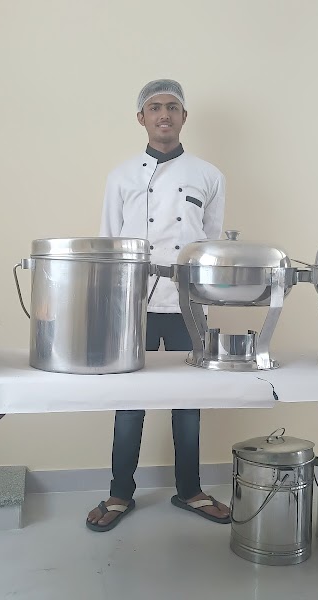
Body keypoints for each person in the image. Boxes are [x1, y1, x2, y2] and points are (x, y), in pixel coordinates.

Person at [87, 79, 229, 532]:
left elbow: (211, 245)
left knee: (189, 400)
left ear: (184, 117)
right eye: (154, 108)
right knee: (130, 400)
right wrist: (109, 307)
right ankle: (119, 493)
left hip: (189, 304)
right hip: (134, 304)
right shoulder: (121, 176)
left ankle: (190, 489)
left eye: (172, 107)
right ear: (141, 118)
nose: (163, 115)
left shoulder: (209, 176)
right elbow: (109, 244)